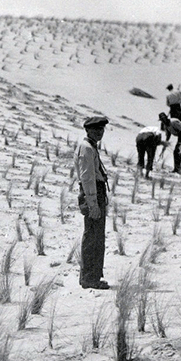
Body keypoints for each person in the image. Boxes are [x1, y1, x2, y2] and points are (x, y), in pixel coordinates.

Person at [74, 116, 110, 290]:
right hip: (92, 193)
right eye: (96, 130)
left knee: (96, 236)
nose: (99, 133)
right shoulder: (87, 148)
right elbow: (87, 178)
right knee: (93, 237)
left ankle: (92, 276)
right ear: (87, 130)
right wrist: (93, 204)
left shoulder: (90, 147)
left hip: (96, 193)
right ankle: (89, 278)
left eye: (101, 130)